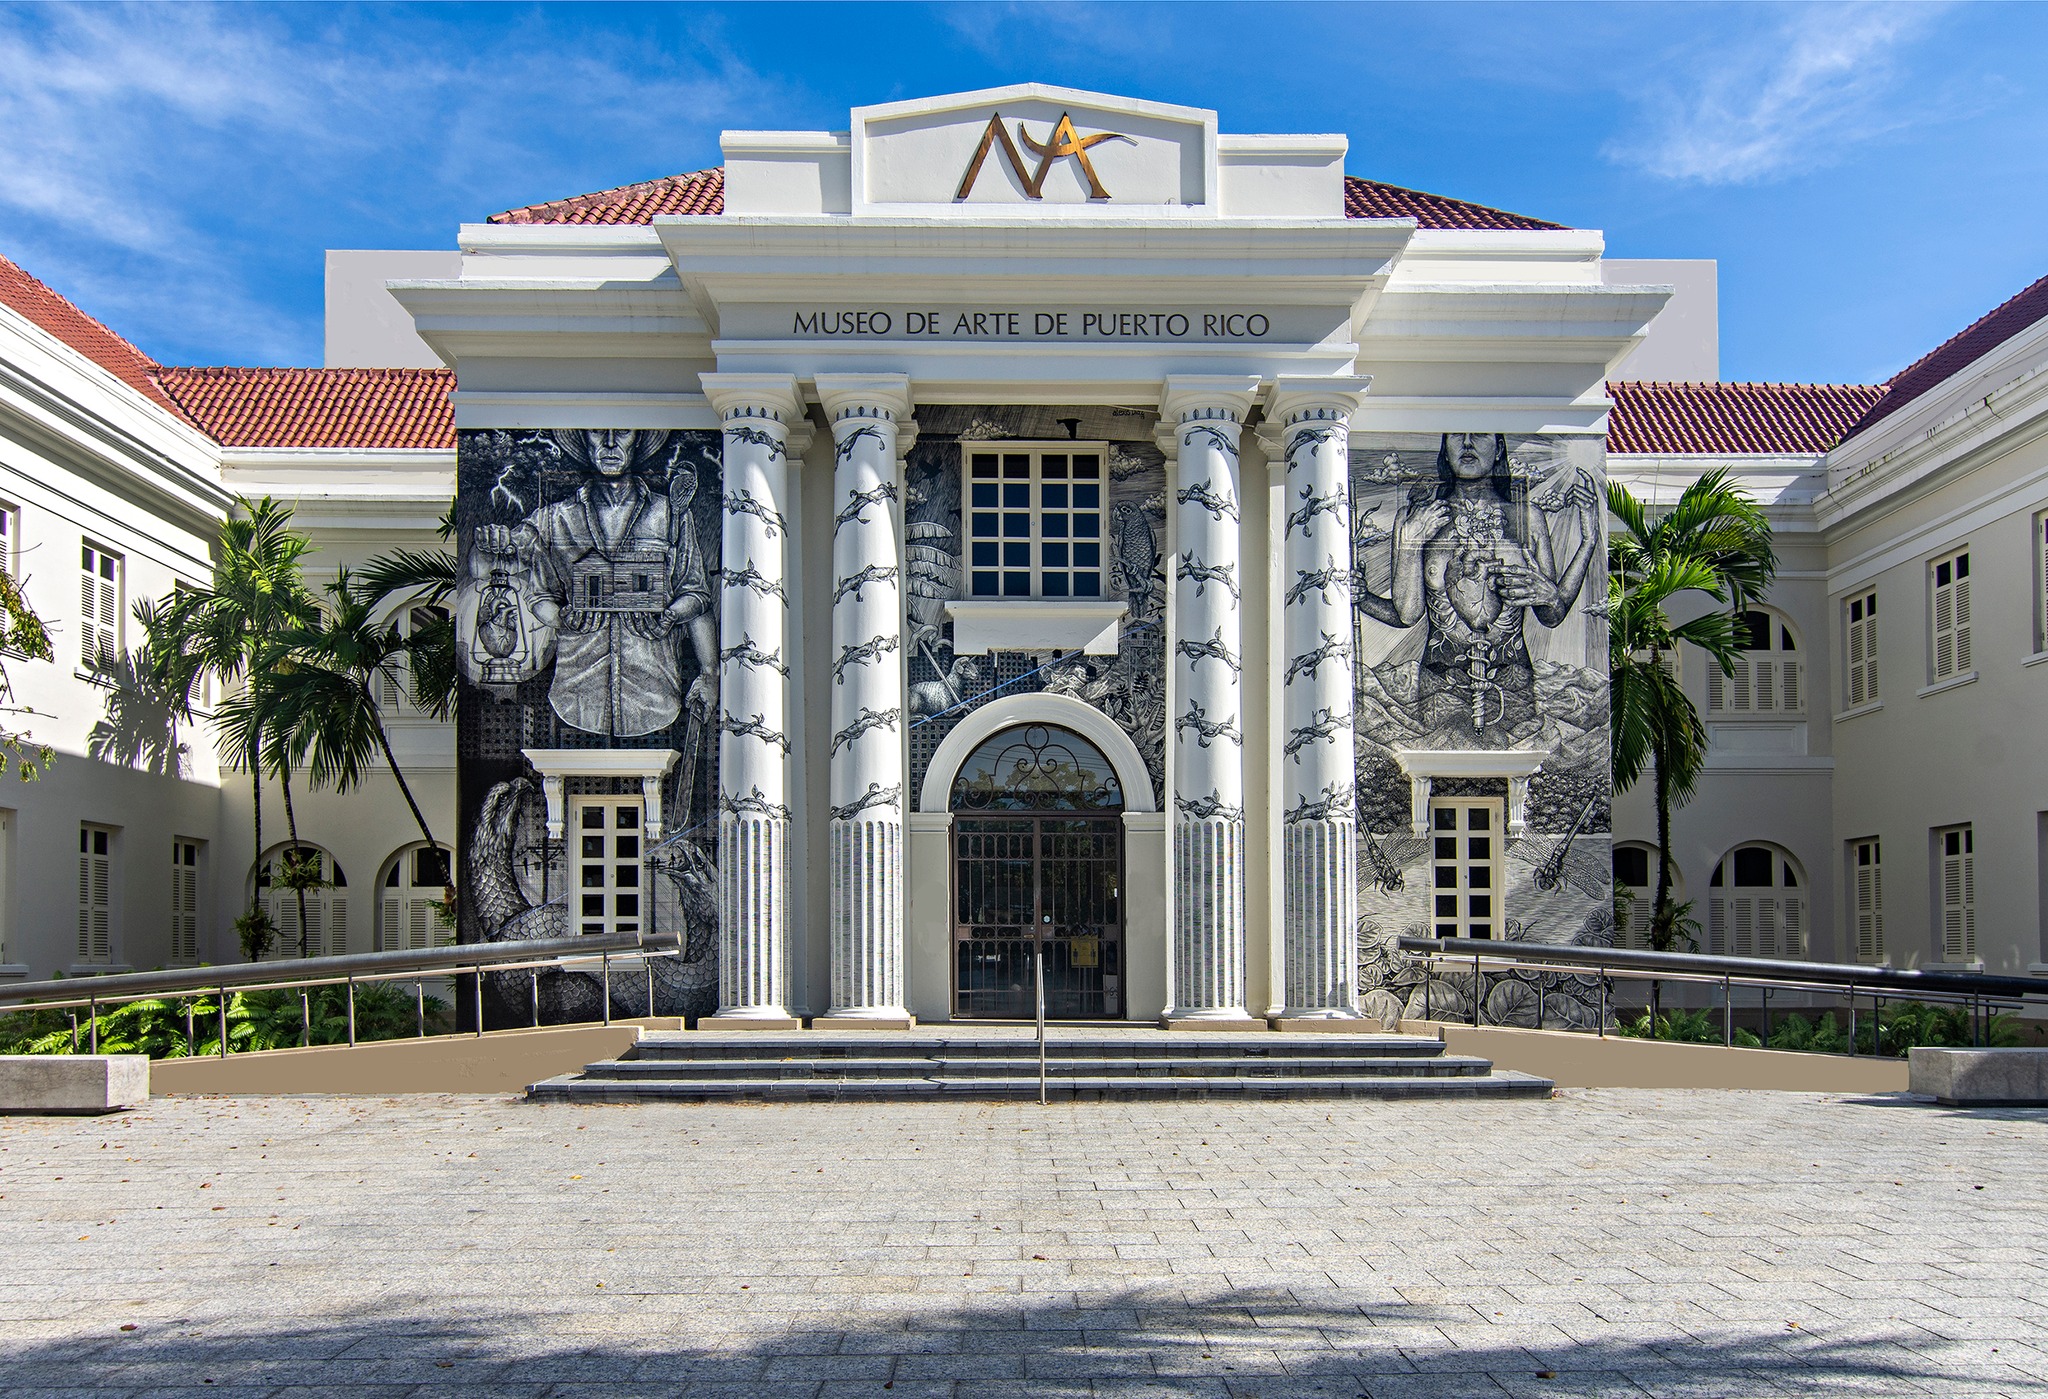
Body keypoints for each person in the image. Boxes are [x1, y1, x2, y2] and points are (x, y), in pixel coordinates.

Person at [458, 428, 717, 739]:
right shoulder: (554, 519)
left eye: (622, 433)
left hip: (656, 703)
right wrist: (490, 545)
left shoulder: (670, 515)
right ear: (584, 440)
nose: (609, 443)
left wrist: (705, 666)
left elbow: (696, 595)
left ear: (638, 440)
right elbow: (485, 568)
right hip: (574, 704)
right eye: (598, 433)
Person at [1388, 432, 1597, 738]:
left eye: (1481, 435)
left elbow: (1551, 615)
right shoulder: (1414, 519)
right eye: (1457, 435)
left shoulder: (1528, 517)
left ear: (1499, 448)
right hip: (1441, 689)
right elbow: (1407, 613)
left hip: (1512, 684)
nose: (1468, 443)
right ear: (1444, 449)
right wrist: (1410, 542)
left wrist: (1588, 542)